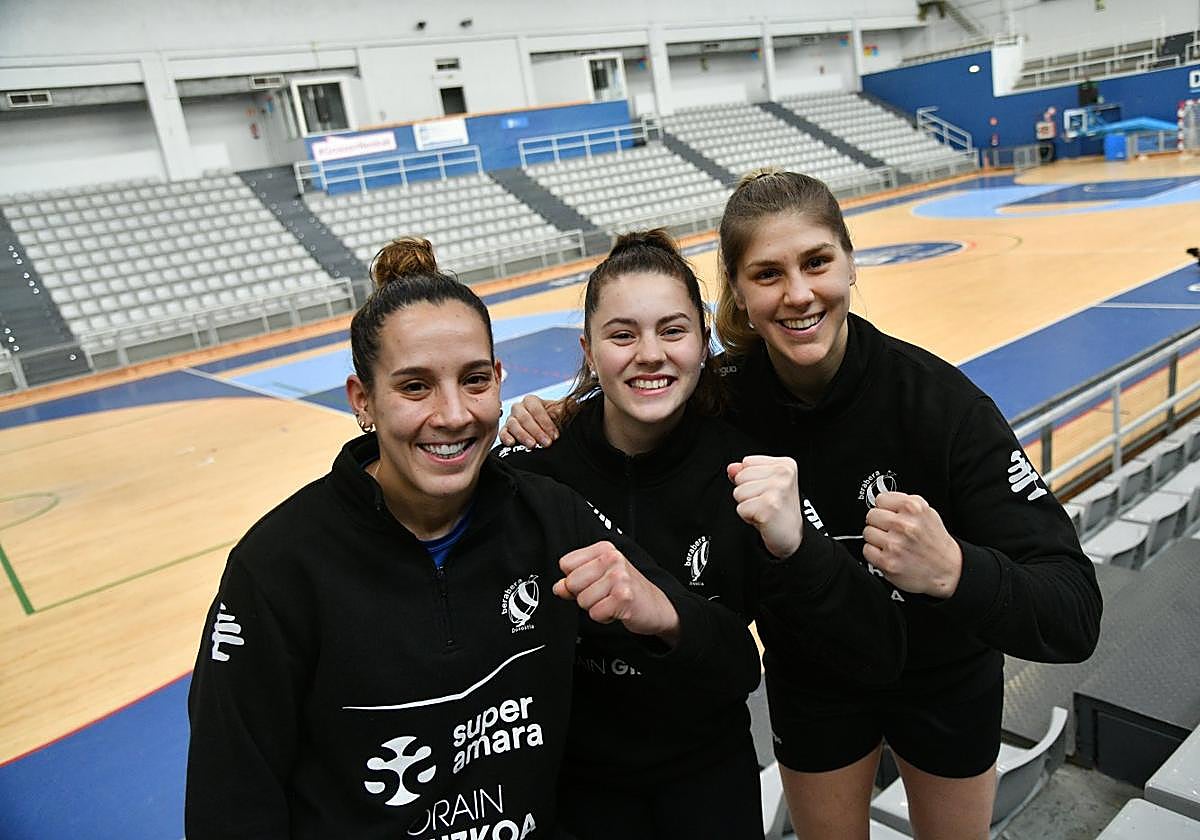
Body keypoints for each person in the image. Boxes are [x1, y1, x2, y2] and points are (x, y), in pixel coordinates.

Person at [501, 171, 1103, 840]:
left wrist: (953, 569)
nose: (797, 294)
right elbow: (645, 389)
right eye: (767, 274)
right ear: (738, 291)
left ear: (850, 262)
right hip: (815, 681)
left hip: (943, 678)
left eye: (816, 262)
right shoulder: (724, 395)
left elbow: (1074, 612)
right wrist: (563, 415)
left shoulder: (941, 408)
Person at [184, 237, 761, 839]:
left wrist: (660, 610)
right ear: (363, 400)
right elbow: (230, 801)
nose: (454, 413)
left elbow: (728, 655)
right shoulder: (278, 566)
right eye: (415, 387)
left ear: (499, 380)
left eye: (474, 380)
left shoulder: (548, 516)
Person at [496, 229, 905, 840]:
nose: (650, 354)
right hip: (576, 790)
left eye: (672, 330)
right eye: (622, 334)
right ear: (588, 349)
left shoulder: (744, 473)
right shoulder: (534, 468)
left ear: (704, 339)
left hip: (707, 781)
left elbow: (868, 649)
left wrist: (798, 550)